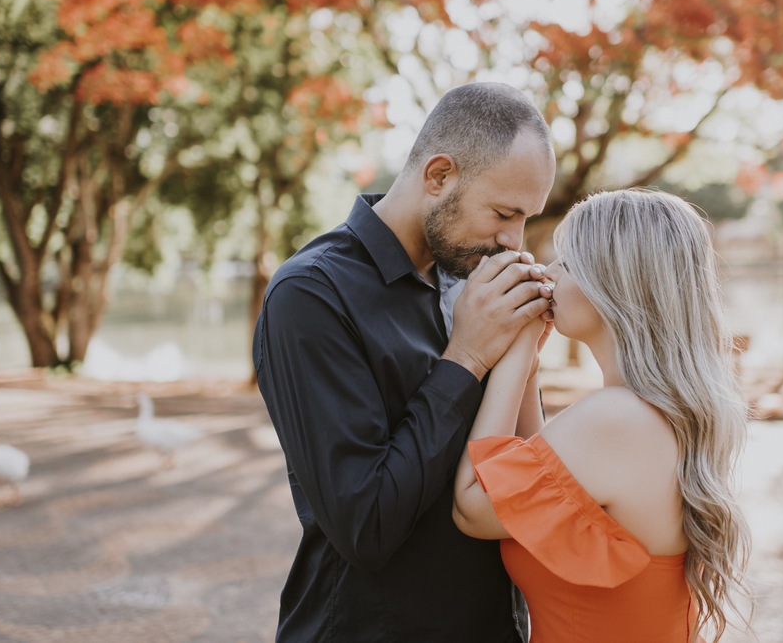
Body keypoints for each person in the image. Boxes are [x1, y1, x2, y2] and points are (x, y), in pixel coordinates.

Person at [253, 82, 557, 642]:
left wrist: (523, 360)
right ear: (439, 175)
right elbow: (365, 524)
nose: (514, 242)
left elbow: (519, 474)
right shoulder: (312, 294)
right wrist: (464, 358)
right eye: (503, 213)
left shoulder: (475, 282)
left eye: (526, 219)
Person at [452, 188, 752, 643]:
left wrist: (510, 356)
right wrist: (529, 357)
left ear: (611, 285)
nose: (548, 273)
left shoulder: (619, 419)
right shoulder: (650, 414)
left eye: (567, 263)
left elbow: (474, 504)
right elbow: (534, 483)